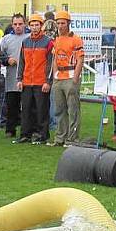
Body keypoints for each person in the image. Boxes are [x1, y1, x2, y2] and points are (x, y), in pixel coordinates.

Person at [15, 14, 53, 144]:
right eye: (32, 25)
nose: (35, 27)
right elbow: (22, 62)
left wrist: (48, 81)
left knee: (42, 110)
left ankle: (42, 135)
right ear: (29, 26)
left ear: (41, 26)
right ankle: (25, 134)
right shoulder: (25, 42)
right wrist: (19, 79)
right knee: (26, 109)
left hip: (41, 82)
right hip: (26, 81)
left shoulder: (48, 42)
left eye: (37, 25)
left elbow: (50, 63)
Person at [49, 10, 84, 146]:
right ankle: (60, 138)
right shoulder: (56, 39)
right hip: (59, 78)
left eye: (63, 23)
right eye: (58, 23)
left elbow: (80, 59)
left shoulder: (75, 39)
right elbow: (55, 58)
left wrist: (75, 78)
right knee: (59, 109)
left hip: (70, 76)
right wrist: (55, 74)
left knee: (73, 109)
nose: (60, 26)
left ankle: (72, 139)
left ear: (68, 23)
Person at [0, 14, 27, 138]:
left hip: (28, 78)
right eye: (15, 24)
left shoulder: (30, 37)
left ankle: (27, 130)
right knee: (11, 105)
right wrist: (7, 60)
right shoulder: (5, 39)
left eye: (20, 24)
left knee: (27, 106)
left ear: (24, 24)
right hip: (11, 78)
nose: (18, 26)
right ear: (12, 25)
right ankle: (10, 130)